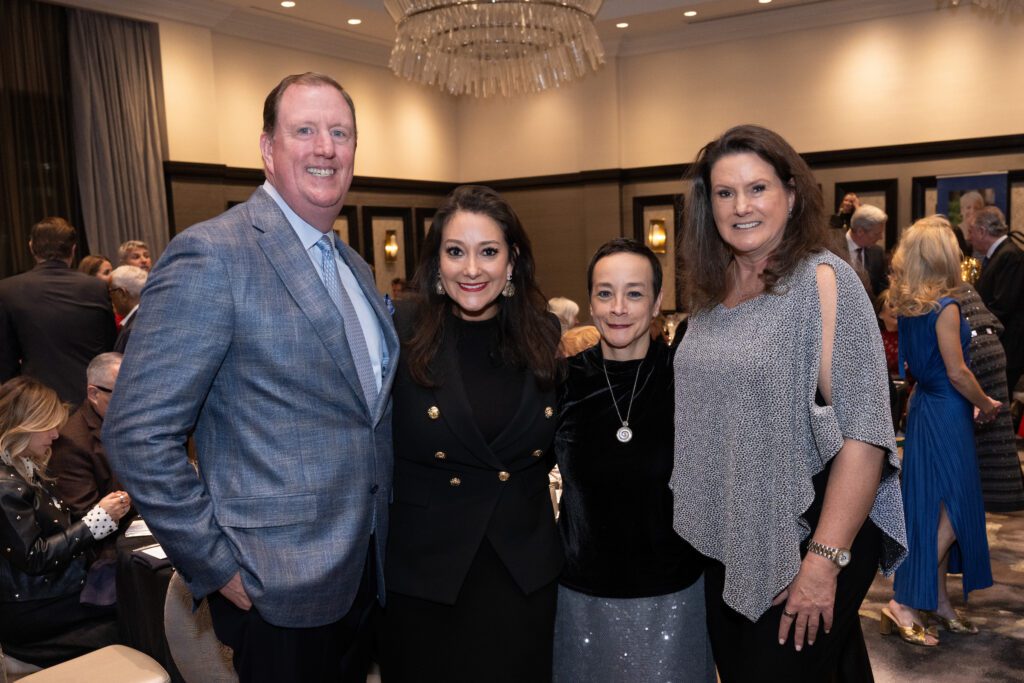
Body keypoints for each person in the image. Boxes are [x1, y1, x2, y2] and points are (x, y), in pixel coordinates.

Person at [102, 72, 399, 682]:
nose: (326, 148)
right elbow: (136, 433)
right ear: (268, 149)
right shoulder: (214, 254)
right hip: (273, 586)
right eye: (306, 131)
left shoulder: (355, 266)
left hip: (367, 571)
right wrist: (215, 565)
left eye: (340, 133)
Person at [671, 124, 907, 681]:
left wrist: (823, 563)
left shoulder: (825, 282)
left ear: (791, 194)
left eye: (757, 188)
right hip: (730, 528)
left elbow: (866, 435)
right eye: (725, 193)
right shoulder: (710, 291)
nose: (740, 206)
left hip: (810, 532)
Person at [381, 185, 562, 682]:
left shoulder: (542, 332)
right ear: (437, 261)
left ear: (513, 261)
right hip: (427, 576)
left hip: (522, 575)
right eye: (455, 252)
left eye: (488, 252)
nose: (472, 269)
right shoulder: (399, 329)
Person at [552, 239, 713, 682]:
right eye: (605, 293)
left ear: (658, 301)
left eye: (634, 293)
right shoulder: (565, 381)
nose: (618, 307)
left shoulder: (690, 377)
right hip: (581, 594)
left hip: (673, 594)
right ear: (590, 301)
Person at [885, 217, 998, 645]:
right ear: (942, 256)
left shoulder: (911, 307)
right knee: (957, 508)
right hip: (948, 411)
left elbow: (918, 370)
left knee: (932, 509)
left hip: (925, 410)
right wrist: (985, 403)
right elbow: (958, 372)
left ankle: (939, 602)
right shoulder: (946, 307)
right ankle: (905, 601)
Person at [0, 377, 131, 667]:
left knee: (134, 591)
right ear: (23, 425)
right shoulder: (5, 485)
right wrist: (95, 522)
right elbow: (34, 557)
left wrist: (100, 517)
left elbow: (54, 530)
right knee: (134, 614)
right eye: (48, 425)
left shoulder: (24, 465)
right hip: (34, 609)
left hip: (55, 590)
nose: (57, 434)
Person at [0, 217, 117, 404]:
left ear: (31, 247)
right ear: (73, 249)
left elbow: (6, 360)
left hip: (37, 402)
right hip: (90, 398)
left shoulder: (7, 290)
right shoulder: (96, 288)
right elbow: (109, 346)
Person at [50, 353, 129, 534]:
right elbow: (84, 518)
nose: (131, 402)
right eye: (121, 394)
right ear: (94, 393)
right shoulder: (72, 442)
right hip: (107, 543)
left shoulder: (130, 421)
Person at [970, 206, 1023, 395]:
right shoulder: (1000, 254)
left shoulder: (1009, 255)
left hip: (1008, 347)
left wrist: (973, 322)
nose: (969, 237)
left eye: (971, 231)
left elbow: (1003, 306)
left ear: (983, 231)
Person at [847, 204, 888, 297]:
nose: (881, 237)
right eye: (877, 233)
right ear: (860, 231)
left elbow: (882, 289)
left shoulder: (877, 252)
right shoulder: (832, 249)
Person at [107, 265, 147, 353]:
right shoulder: (148, 317)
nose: (109, 298)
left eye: (110, 292)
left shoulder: (133, 330)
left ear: (122, 293)